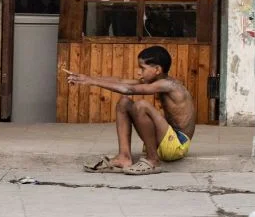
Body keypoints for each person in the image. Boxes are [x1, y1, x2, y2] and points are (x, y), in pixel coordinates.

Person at [71, 46, 195, 175]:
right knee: (124, 102)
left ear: (157, 69)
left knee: (142, 106)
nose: (139, 73)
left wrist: (91, 81)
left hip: (177, 146)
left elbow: (128, 89)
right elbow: (121, 82)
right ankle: (123, 158)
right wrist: (88, 78)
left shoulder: (168, 85)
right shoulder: (155, 81)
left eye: (142, 68)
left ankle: (153, 161)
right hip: (164, 140)